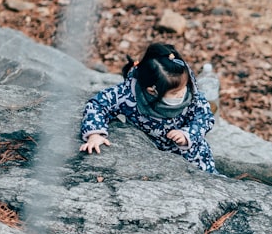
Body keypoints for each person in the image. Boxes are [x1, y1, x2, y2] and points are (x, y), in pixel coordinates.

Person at [79, 42, 217, 173]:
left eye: (184, 87)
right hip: (154, 157)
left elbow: (204, 115)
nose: (183, 93)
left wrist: (188, 134)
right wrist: (95, 134)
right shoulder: (128, 94)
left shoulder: (183, 80)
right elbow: (98, 104)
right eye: (175, 93)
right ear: (152, 90)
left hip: (195, 155)